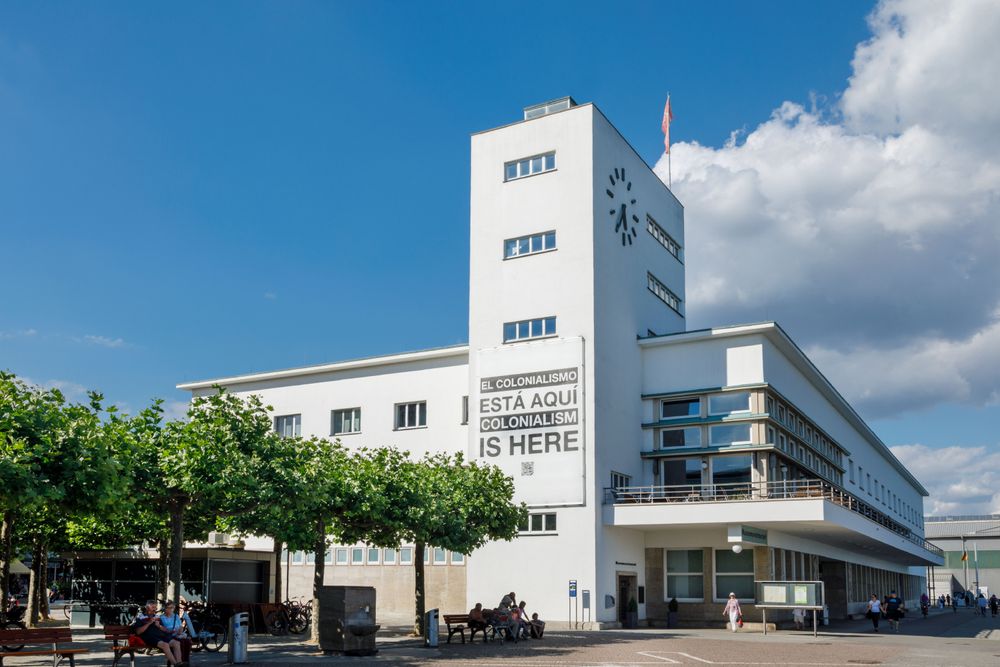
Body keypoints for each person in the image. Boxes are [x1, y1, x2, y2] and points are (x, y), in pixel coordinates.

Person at [133, 600, 185, 667]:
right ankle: (176, 665)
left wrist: (159, 626)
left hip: (161, 636)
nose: (155, 609)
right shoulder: (140, 617)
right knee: (165, 645)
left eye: (155, 607)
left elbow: (165, 629)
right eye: (153, 607)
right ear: (147, 607)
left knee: (176, 643)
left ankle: (179, 663)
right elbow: (138, 631)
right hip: (149, 637)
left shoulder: (157, 617)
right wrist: (149, 623)